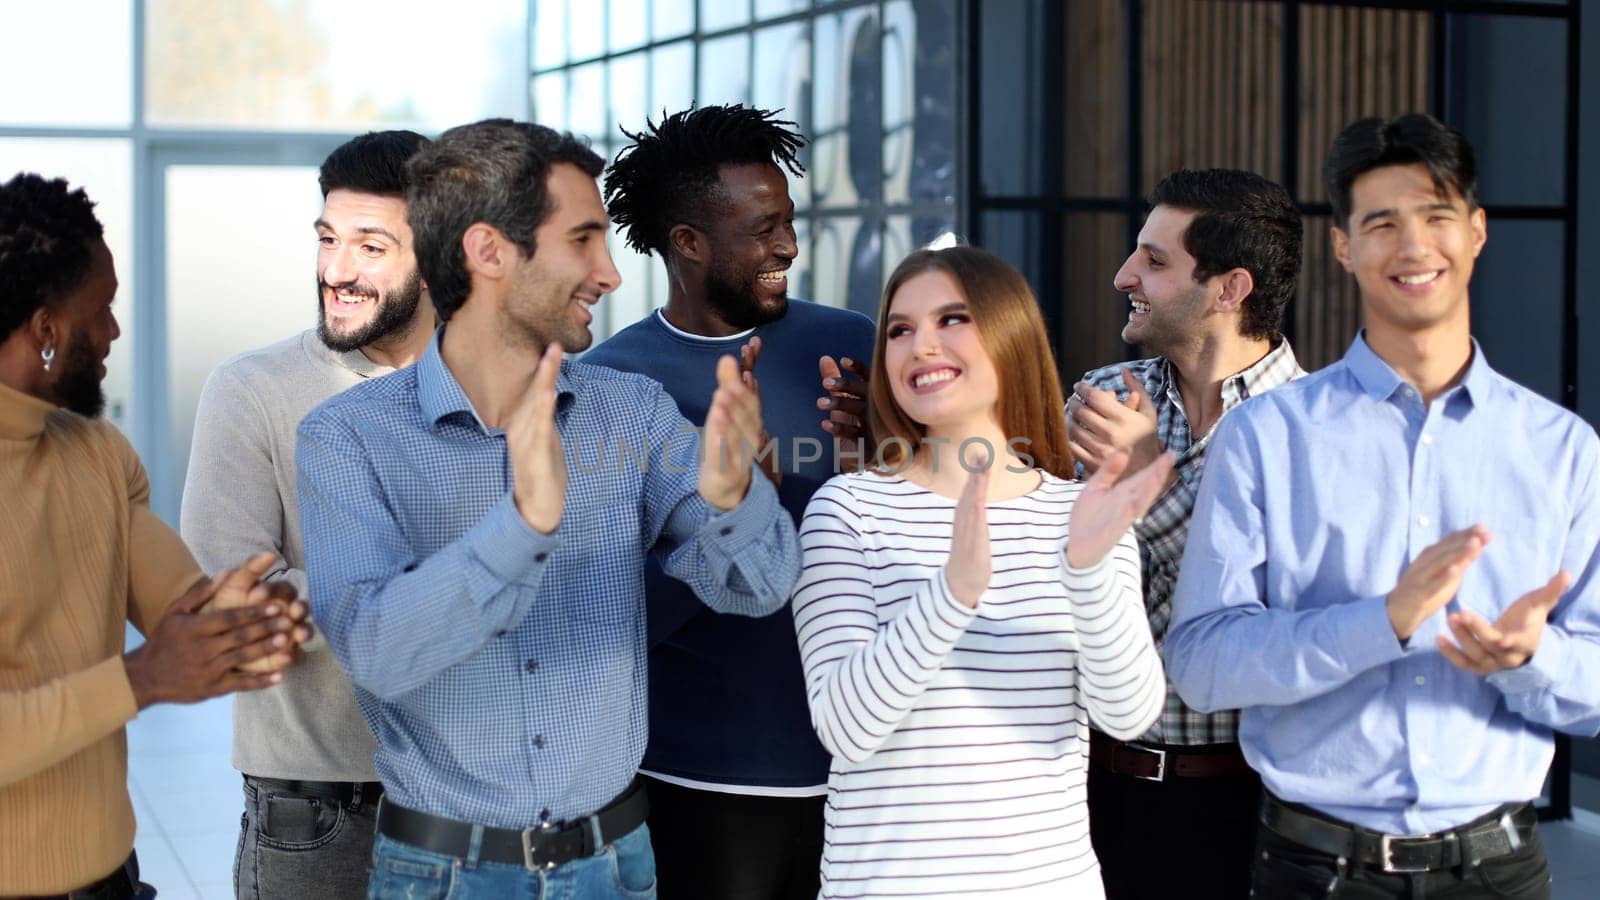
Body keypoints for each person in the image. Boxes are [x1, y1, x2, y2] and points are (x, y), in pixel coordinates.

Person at [295, 118, 801, 899]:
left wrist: (736, 500)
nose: (610, 272)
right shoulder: (347, 438)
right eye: (583, 240)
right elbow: (377, 651)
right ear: (490, 252)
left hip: (616, 868)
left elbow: (760, 586)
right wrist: (521, 526)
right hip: (440, 876)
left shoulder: (632, 412)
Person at [1167, 113, 1599, 899]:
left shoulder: (1563, 450)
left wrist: (1533, 660)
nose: (1413, 246)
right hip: (1314, 870)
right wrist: (1382, 622)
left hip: (1499, 869)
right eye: (1381, 223)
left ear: (1476, 232)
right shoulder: (1267, 437)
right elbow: (1201, 664)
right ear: (1344, 247)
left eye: (1436, 218)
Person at [793, 245, 1172, 899]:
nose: (922, 346)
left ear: (1010, 333)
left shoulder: (1081, 515)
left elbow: (1127, 713)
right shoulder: (848, 509)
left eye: (952, 320)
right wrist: (951, 594)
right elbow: (846, 728)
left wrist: (1085, 569)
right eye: (900, 330)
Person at [586, 103, 875, 900]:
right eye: (763, 228)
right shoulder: (611, 385)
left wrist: (890, 456)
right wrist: (733, 520)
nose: (787, 244)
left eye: (787, 221)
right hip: (700, 783)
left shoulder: (853, 345)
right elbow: (610, 608)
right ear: (689, 242)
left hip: (868, 776)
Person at [0, 172, 311, 897]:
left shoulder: (99, 453)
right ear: (46, 329)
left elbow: (185, 608)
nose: (114, 332)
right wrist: (142, 678)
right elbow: (154, 668)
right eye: (101, 311)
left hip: (111, 874)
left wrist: (248, 620)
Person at [179, 130, 434, 900]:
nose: (337, 271)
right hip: (319, 813)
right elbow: (230, 592)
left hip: (476, 805)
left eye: (370, 246)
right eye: (327, 239)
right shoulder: (250, 390)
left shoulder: (500, 390)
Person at [1063, 168, 1305, 899]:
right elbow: (1062, 573)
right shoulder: (1106, 396)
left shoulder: (1314, 427)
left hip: (1247, 806)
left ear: (1229, 289)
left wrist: (1145, 484)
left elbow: (1261, 606)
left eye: (1155, 261)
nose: (1122, 275)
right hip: (1083, 793)